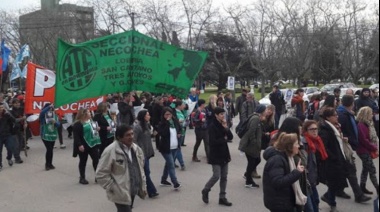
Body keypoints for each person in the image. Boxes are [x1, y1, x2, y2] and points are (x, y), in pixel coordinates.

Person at [96, 125, 147, 212]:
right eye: (127, 135)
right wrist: (113, 187)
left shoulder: (136, 149)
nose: (131, 137)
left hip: (133, 189)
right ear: (119, 137)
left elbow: (141, 166)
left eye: (132, 134)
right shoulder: (110, 151)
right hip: (120, 192)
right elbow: (101, 173)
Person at [336, 95, 372, 202]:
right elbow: (342, 130)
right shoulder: (343, 115)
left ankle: (336, 191)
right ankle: (358, 195)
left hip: (349, 144)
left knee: (346, 171)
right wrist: (350, 139)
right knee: (351, 171)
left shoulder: (347, 114)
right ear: (352, 104)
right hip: (345, 145)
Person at [263, 133, 307, 212]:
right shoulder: (277, 160)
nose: (298, 146)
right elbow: (278, 182)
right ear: (290, 146)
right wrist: (296, 172)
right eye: (296, 144)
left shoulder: (287, 157)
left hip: (284, 201)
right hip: (279, 203)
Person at [318, 107, 349, 212]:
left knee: (337, 181)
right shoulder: (325, 129)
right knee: (334, 182)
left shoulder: (334, 126)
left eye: (336, 115)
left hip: (338, 157)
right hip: (332, 161)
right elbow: (323, 146)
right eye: (334, 115)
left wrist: (342, 138)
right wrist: (333, 157)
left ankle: (329, 197)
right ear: (328, 117)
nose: (337, 117)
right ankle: (331, 202)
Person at [201, 107, 233, 206]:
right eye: (221, 114)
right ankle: (206, 190)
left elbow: (230, 137)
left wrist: (226, 127)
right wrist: (224, 139)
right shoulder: (212, 126)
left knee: (224, 177)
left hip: (224, 154)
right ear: (216, 115)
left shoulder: (223, 124)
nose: (223, 116)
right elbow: (212, 142)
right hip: (215, 154)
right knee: (216, 176)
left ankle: (222, 197)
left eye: (223, 114)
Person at [302, 120, 329, 212]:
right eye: (311, 129)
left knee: (316, 201)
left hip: (313, 178)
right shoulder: (305, 143)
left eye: (316, 129)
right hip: (308, 180)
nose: (314, 131)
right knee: (311, 205)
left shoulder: (317, 141)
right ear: (306, 131)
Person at [239, 104, 267, 188]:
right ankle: (248, 181)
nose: (266, 112)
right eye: (265, 110)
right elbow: (251, 131)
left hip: (252, 145)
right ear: (262, 111)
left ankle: (247, 175)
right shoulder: (255, 119)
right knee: (252, 162)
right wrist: (254, 142)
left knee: (256, 160)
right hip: (251, 145)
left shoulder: (257, 118)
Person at [133, 110, 159, 198]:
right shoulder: (137, 127)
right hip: (141, 153)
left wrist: (153, 134)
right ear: (143, 116)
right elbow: (133, 140)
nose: (149, 116)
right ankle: (151, 191)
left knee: (145, 172)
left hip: (147, 151)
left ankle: (141, 188)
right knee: (146, 172)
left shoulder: (147, 125)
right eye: (148, 115)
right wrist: (137, 150)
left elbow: (147, 136)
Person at [73, 108, 101, 184]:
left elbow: (93, 131)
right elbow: (76, 136)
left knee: (96, 160)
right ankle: (82, 177)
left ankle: (98, 176)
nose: (90, 114)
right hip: (83, 145)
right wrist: (79, 145)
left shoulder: (91, 121)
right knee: (83, 161)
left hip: (93, 144)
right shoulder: (78, 124)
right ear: (84, 114)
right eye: (89, 112)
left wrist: (97, 129)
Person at [157, 107, 182, 189]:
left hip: (175, 146)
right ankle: (175, 182)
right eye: (166, 114)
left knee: (168, 164)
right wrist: (167, 123)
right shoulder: (162, 124)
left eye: (169, 114)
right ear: (163, 115)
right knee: (171, 165)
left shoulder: (175, 121)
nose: (168, 116)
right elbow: (163, 133)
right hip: (166, 148)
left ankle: (163, 180)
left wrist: (179, 133)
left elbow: (179, 129)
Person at [356, 106, 379, 195]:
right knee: (371, 169)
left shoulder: (368, 123)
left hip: (365, 149)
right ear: (365, 115)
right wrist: (373, 147)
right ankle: (377, 187)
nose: (372, 115)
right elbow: (364, 140)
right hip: (363, 150)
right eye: (370, 113)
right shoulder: (361, 125)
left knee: (366, 168)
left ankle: (362, 186)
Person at [40, 103, 60, 171]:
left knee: (51, 150)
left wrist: (55, 122)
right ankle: (47, 164)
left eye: (52, 108)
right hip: (45, 135)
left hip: (52, 135)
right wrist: (49, 106)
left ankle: (50, 164)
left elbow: (58, 125)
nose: (51, 110)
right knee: (49, 149)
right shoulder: (43, 116)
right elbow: (42, 113)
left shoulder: (55, 116)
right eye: (49, 108)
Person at [0, 102, 17, 170]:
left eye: (2, 107)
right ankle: (0, 163)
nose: (1, 109)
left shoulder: (7, 115)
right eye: (0, 108)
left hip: (7, 134)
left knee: (10, 148)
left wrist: (9, 115)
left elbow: (14, 120)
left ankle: (9, 158)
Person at [9, 98, 25, 164]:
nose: (17, 104)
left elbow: (24, 117)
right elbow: (14, 120)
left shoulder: (21, 109)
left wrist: (25, 123)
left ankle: (17, 156)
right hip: (14, 130)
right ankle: (17, 158)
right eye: (15, 103)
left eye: (18, 103)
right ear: (13, 104)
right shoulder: (11, 111)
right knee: (16, 144)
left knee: (20, 144)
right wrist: (22, 118)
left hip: (21, 129)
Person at [172, 100, 187, 170]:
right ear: (179, 106)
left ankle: (172, 162)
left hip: (182, 131)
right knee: (178, 149)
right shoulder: (175, 113)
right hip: (178, 132)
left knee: (176, 149)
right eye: (183, 104)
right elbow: (178, 122)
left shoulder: (181, 111)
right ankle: (182, 163)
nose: (184, 106)